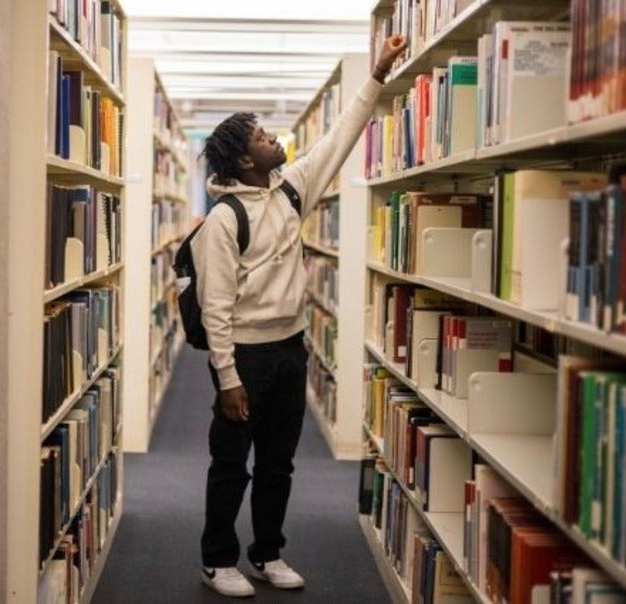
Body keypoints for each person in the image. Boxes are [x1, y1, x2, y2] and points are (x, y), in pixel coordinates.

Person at [191, 35, 409, 598]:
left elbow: (339, 137)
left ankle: (268, 552)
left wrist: (378, 74)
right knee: (231, 465)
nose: (274, 139)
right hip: (244, 355)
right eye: (263, 137)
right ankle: (217, 560)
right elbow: (215, 307)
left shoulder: (291, 191)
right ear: (245, 159)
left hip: (291, 350)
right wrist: (228, 377)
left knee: (279, 465)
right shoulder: (222, 220)